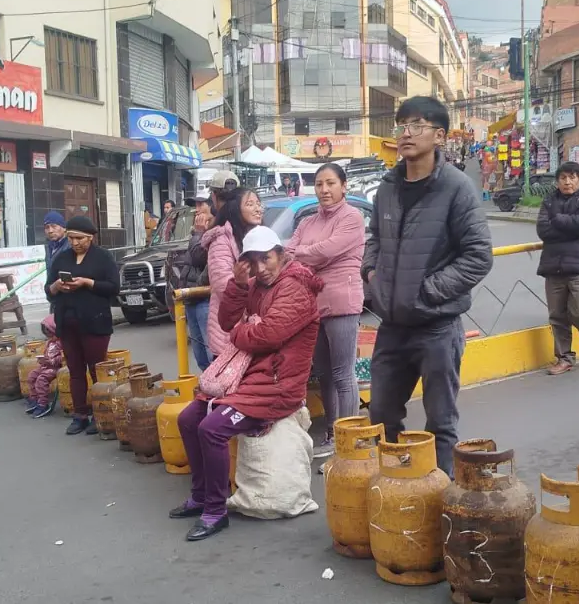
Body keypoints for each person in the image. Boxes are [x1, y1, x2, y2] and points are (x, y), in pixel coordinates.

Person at [362, 96, 495, 476]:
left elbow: (478, 256)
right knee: (382, 416)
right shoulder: (388, 187)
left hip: (437, 327)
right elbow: (374, 237)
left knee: (440, 424)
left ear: (439, 135)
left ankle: (441, 506)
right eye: (402, 125)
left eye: (416, 125)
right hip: (392, 327)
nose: (406, 133)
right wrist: (373, 275)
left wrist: (427, 292)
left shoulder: (457, 188)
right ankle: (394, 492)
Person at [170, 226, 322, 541]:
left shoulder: (294, 288)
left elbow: (266, 335)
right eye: (253, 261)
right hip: (249, 377)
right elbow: (227, 322)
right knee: (188, 419)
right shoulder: (255, 285)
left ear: (281, 255)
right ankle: (202, 495)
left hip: (278, 386)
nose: (261, 268)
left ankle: (215, 509)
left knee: (211, 429)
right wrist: (238, 286)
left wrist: (243, 331)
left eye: (266, 259)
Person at [287, 162, 366, 459]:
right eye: (319, 184)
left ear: (343, 186)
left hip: (342, 302)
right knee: (323, 373)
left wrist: (305, 254)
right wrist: (307, 255)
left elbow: (325, 251)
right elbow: (289, 256)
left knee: (343, 373)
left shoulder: (352, 217)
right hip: (313, 305)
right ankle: (334, 431)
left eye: (330, 183)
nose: (324, 190)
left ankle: (350, 438)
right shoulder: (308, 221)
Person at [48, 216, 120, 436]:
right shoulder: (61, 259)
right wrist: (57, 286)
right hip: (67, 322)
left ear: (91, 237)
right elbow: (48, 289)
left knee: (97, 369)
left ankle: (102, 415)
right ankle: (80, 415)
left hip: (95, 321)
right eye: (71, 238)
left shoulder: (103, 257)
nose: (75, 243)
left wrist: (87, 282)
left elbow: (113, 287)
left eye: (79, 238)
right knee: (75, 371)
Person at [537, 161, 579, 376]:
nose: (567, 182)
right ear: (557, 181)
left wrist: (558, 221)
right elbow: (543, 230)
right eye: (563, 178)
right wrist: (570, 227)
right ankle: (564, 357)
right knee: (557, 315)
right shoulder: (549, 200)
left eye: (572, 177)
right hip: (553, 267)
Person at [201, 187, 264, 361]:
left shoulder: (260, 236)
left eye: (258, 204)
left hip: (255, 328)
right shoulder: (221, 240)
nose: (258, 208)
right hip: (230, 331)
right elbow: (223, 285)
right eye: (250, 204)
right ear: (236, 208)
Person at [177, 199, 216, 371]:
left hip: (205, 298)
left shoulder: (210, 234)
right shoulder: (195, 234)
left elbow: (200, 257)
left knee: (211, 353)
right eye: (196, 208)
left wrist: (200, 233)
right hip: (192, 298)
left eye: (202, 209)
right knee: (200, 355)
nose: (197, 213)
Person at [25, 316, 64, 418]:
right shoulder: (50, 342)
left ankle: (43, 403)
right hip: (46, 366)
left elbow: (65, 358)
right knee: (31, 376)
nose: (49, 336)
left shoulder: (63, 342)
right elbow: (47, 354)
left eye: (50, 333)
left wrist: (51, 361)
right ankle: (35, 399)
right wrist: (43, 359)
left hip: (57, 368)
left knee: (41, 379)